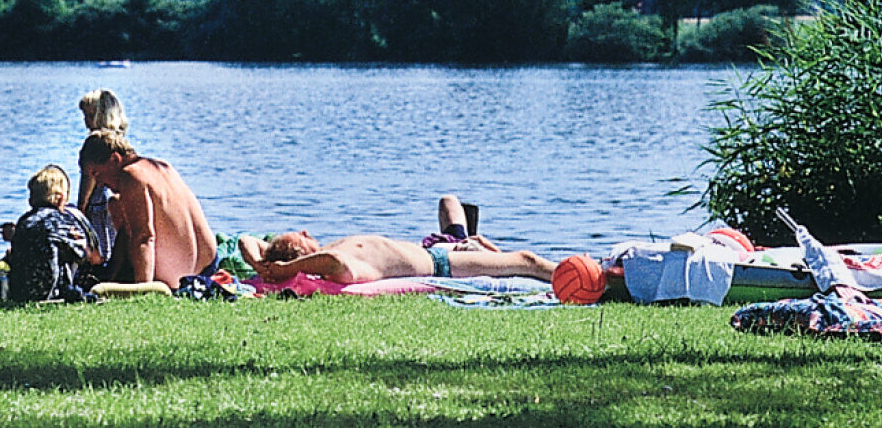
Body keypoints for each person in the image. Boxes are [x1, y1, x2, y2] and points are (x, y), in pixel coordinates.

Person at [238, 196, 558, 284]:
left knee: (448, 201)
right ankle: (596, 281)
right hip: (443, 263)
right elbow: (335, 262)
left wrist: (258, 263)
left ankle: (471, 241)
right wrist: (283, 271)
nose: (307, 232)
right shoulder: (332, 265)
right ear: (299, 252)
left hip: (433, 248)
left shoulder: (318, 253)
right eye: (300, 235)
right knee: (526, 261)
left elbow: (246, 240)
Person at [79, 129, 216, 289]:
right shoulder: (161, 167)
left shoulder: (130, 176)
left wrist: (143, 288)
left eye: (97, 174)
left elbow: (143, 236)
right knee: (115, 204)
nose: (99, 183)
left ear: (115, 159)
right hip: (209, 265)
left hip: (178, 276)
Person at [8, 165, 104, 301]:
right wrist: (83, 244)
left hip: (19, 291)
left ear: (31, 200)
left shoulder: (24, 221)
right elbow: (82, 255)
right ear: (61, 199)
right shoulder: (61, 221)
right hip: (49, 292)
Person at [76, 89, 126, 274]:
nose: (86, 121)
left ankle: (98, 271)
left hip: (97, 201)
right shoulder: (118, 141)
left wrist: (81, 207)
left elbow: (88, 177)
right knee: (112, 238)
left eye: (90, 115)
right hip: (113, 197)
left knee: (98, 239)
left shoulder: (94, 143)